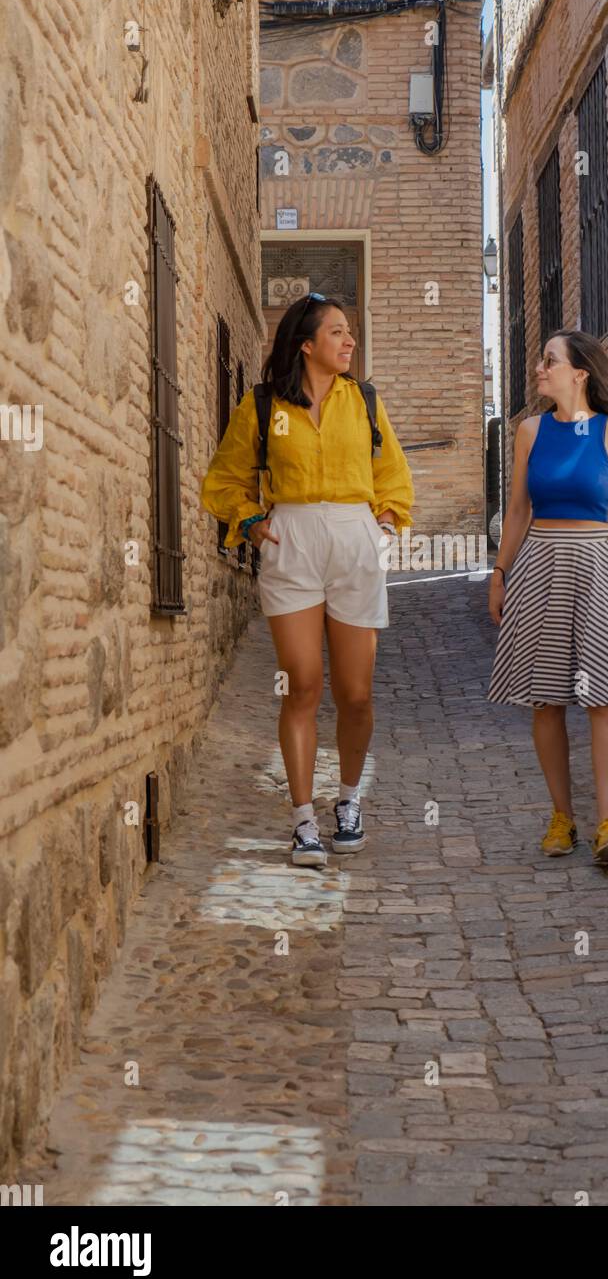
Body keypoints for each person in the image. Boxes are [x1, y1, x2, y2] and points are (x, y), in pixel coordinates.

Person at [200, 293, 414, 867]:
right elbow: (224, 479)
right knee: (302, 685)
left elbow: (392, 473)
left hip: (353, 536)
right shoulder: (263, 404)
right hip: (291, 539)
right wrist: (250, 521)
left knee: (357, 694)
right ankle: (302, 821)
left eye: (350, 333)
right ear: (307, 344)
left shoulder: (364, 401)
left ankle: (348, 801)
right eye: (338, 333)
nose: (350, 342)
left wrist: (384, 526)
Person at [487, 329, 608, 864]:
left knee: (606, 699)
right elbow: (517, 510)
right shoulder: (530, 431)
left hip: (600, 566)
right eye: (541, 361)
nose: (539, 369)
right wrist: (499, 573)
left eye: (549, 361)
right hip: (538, 563)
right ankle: (562, 817)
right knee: (546, 700)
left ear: (579, 373)